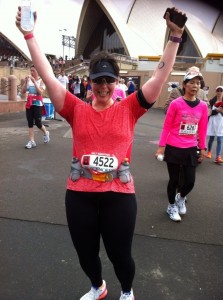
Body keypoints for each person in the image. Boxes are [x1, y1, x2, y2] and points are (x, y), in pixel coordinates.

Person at [16, 6, 186, 299]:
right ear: (90, 81)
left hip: (118, 196)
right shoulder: (75, 109)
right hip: (79, 194)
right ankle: (98, 287)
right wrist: (29, 35)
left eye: (109, 80)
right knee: (85, 255)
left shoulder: (130, 108)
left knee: (121, 256)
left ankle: (127, 291)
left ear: (117, 82)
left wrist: (175, 36)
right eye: (98, 80)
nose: (103, 86)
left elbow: (159, 76)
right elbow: (46, 72)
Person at [156, 70, 208, 222]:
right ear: (185, 85)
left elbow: (203, 128)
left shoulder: (203, 106)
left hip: (191, 147)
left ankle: (181, 197)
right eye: (191, 82)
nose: (195, 86)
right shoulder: (176, 103)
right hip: (173, 146)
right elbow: (167, 126)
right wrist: (161, 146)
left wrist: (203, 147)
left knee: (190, 181)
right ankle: (171, 206)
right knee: (174, 180)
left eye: (198, 83)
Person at [21, 64, 50, 149]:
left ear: (38, 71)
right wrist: (26, 82)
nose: (32, 72)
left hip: (37, 103)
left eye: (33, 70)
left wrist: (34, 82)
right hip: (29, 103)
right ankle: (32, 141)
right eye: (31, 71)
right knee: (30, 122)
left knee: (38, 123)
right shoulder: (29, 81)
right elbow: (23, 91)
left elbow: (40, 92)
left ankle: (45, 132)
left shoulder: (41, 81)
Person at [205, 86, 223, 163]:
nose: (219, 92)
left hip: (221, 122)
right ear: (216, 92)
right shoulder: (212, 101)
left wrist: (221, 112)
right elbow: (209, 113)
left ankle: (218, 156)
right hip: (212, 121)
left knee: (220, 139)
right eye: (218, 90)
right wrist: (217, 111)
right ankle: (209, 152)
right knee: (211, 138)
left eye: (221, 90)